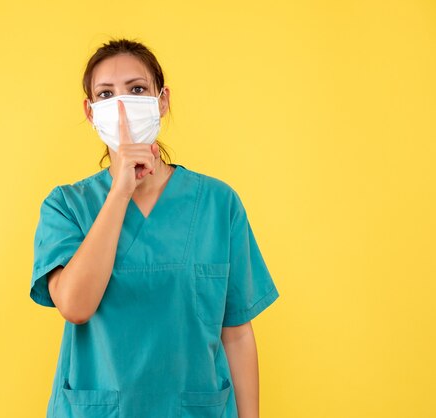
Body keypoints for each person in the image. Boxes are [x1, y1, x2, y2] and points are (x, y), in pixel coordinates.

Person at [30, 38, 280, 418]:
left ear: (162, 101)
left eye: (137, 89)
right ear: (91, 111)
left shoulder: (217, 203)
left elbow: (238, 333)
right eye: (106, 94)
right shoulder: (66, 206)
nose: (122, 105)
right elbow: (76, 306)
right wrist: (119, 194)